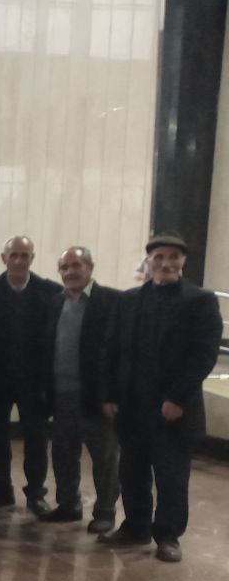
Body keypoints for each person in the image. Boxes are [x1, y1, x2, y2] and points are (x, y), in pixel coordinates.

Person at [101, 234, 222, 563]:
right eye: (158, 257)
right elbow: (112, 350)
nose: (165, 263)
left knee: (172, 477)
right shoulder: (128, 300)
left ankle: (168, 536)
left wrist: (177, 398)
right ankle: (135, 527)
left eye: (173, 257)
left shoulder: (201, 301)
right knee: (132, 473)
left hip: (173, 409)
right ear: (148, 261)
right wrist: (109, 394)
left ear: (183, 261)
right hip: (132, 407)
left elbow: (203, 355)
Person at [0, 236, 60, 514]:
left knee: (36, 438)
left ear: (32, 258)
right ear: (4, 258)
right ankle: (1, 488)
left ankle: (36, 493)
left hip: (35, 381)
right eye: (14, 255)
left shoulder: (51, 293)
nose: (19, 261)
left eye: (24, 255)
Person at [41, 246, 121, 532]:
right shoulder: (54, 303)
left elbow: (119, 353)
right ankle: (68, 505)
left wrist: (112, 395)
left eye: (76, 265)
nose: (70, 271)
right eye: (65, 267)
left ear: (90, 267)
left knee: (104, 458)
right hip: (61, 395)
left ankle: (105, 512)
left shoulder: (112, 301)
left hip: (97, 398)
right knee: (63, 454)